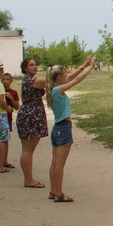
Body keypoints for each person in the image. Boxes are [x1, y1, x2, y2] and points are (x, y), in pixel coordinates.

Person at [45, 55, 96, 202]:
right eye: (65, 74)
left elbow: (70, 78)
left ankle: (53, 191)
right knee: (60, 164)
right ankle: (59, 194)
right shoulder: (59, 90)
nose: (67, 76)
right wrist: (90, 68)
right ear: (60, 77)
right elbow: (76, 80)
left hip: (57, 129)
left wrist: (83, 65)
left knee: (55, 163)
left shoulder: (53, 89)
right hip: (63, 128)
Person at [16, 58, 48, 189]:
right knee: (27, 150)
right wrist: (82, 69)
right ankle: (28, 180)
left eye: (36, 64)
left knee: (27, 150)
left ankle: (28, 179)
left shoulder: (29, 80)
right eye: (31, 65)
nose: (35, 67)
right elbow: (56, 80)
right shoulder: (32, 81)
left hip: (29, 115)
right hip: (31, 116)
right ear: (25, 68)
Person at [0, 72, 20, 171]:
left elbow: (17, 106)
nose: (5, 81)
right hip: (0, 117)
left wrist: (11, 98)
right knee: (0, 141)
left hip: (8, 118)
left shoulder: (13, 92)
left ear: (11, 81)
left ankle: (4, 160)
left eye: (7, 79)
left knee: (6, 140)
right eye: (3, 79)